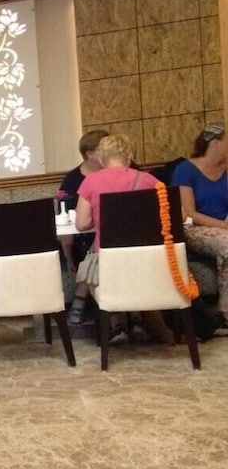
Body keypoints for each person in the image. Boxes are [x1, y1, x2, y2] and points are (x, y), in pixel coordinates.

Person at [73, 134, 169, 345]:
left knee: (90, 269)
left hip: (109, 262)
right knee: (132, 269)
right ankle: (137, 320)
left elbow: (81, 224)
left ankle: (117, 326)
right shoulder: (149, 180)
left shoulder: (91, 182)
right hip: (147, 260)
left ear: (101, 158)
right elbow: (167, 215)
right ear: (129, 155)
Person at [171, 121, 228, 322]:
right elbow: (189, 212)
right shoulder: (185, 170)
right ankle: (225, 310)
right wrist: (223, 226)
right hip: (197, 227)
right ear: (215, 144)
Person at [58, 130, 108, 309]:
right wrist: (68, 254)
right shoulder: (72, 180)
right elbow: (66, 219)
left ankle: (80, 301)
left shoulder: (121, 171)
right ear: (90, 154)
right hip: (86, 238)